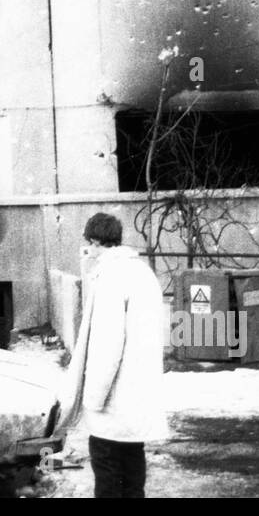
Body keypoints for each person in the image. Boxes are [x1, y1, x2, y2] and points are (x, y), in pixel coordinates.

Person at [61, 212, 168, 498]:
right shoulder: (142, 272)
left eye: (90, 245)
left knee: (108, 472)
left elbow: (107, 347)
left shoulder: (111, 278)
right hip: (136, 397)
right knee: (133, 467)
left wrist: (93, 399)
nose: (89, 252)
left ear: (96, 242)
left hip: (112, 402)